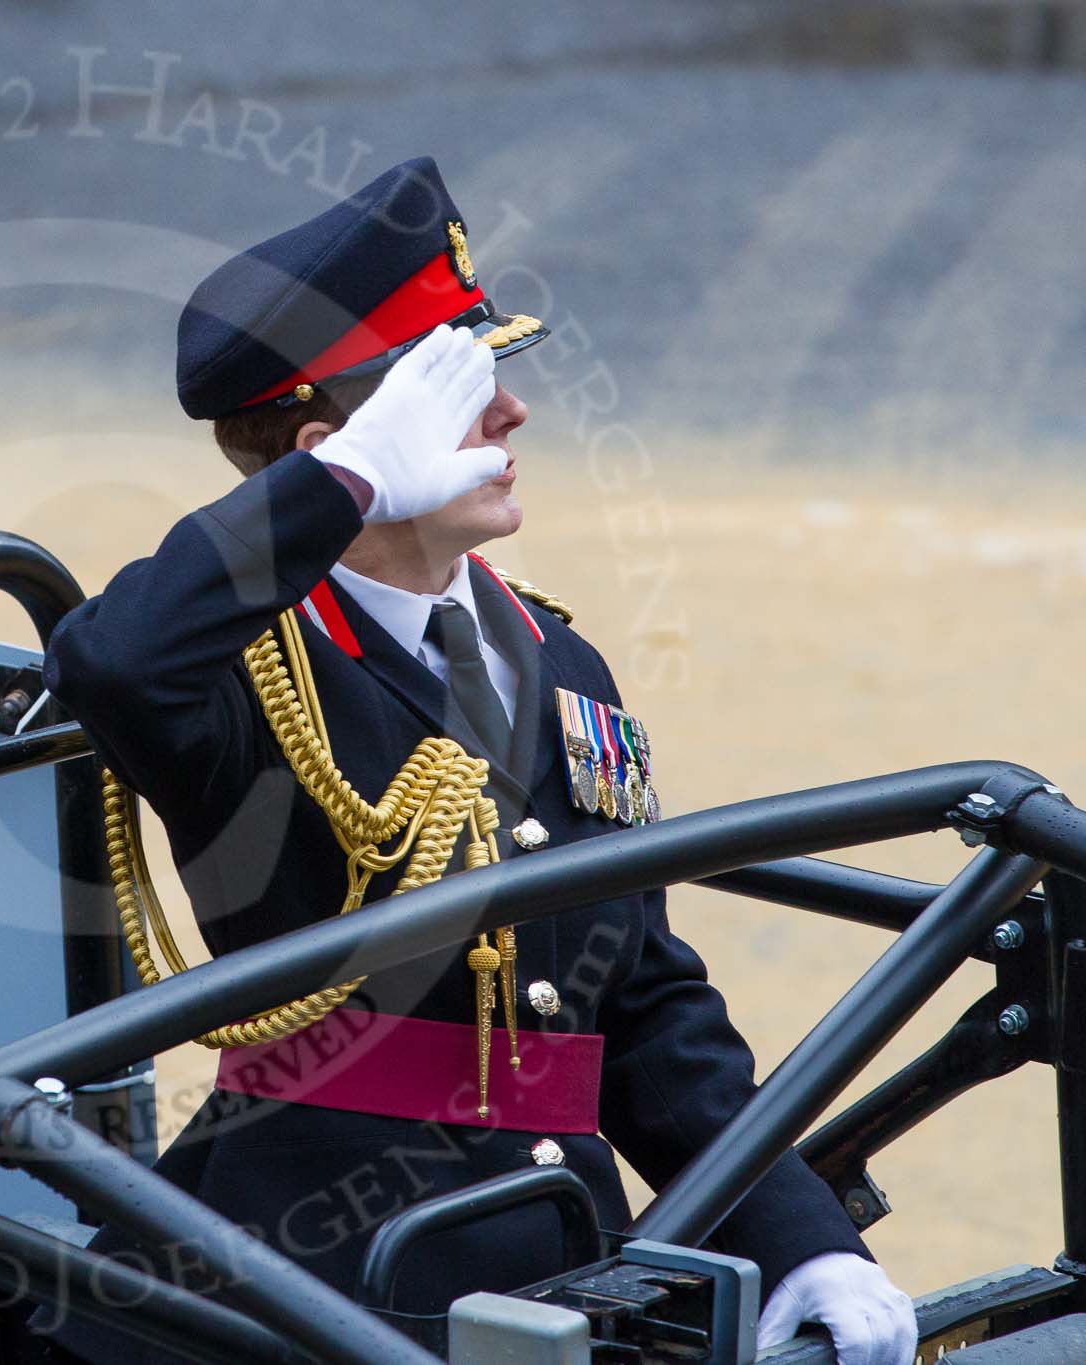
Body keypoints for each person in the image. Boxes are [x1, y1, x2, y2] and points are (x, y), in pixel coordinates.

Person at [44, 158, 916, 1364]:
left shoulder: (555, 658)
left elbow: (641, 994)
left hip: (551, 1243)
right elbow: (108, 663)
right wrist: (333, 490)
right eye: (457, 392)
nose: (510, 415)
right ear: (333, 449)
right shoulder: (242, 672)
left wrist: (800, 1236)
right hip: (319, 1263)